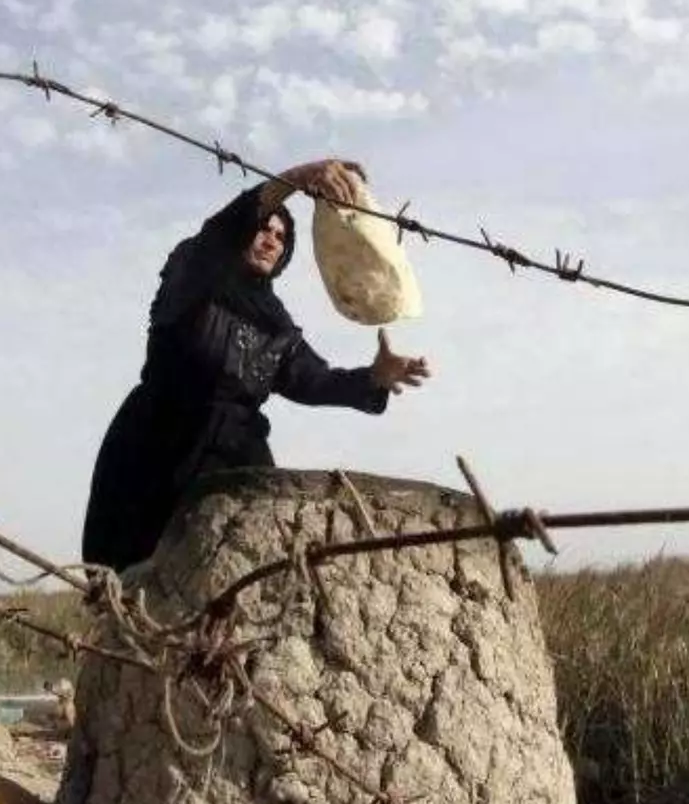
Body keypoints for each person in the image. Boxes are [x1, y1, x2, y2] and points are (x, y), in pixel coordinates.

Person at [81, 158, 433, 572]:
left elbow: (312, 379)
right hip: (157, 446)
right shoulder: (192, 276)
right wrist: (298, 179)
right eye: (264, 228)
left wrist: (373, 377)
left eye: (281, 237)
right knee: (139, 576)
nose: (270, 240)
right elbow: (219, 233)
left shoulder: (276, 323)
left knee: (243, 574)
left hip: (235, 458)